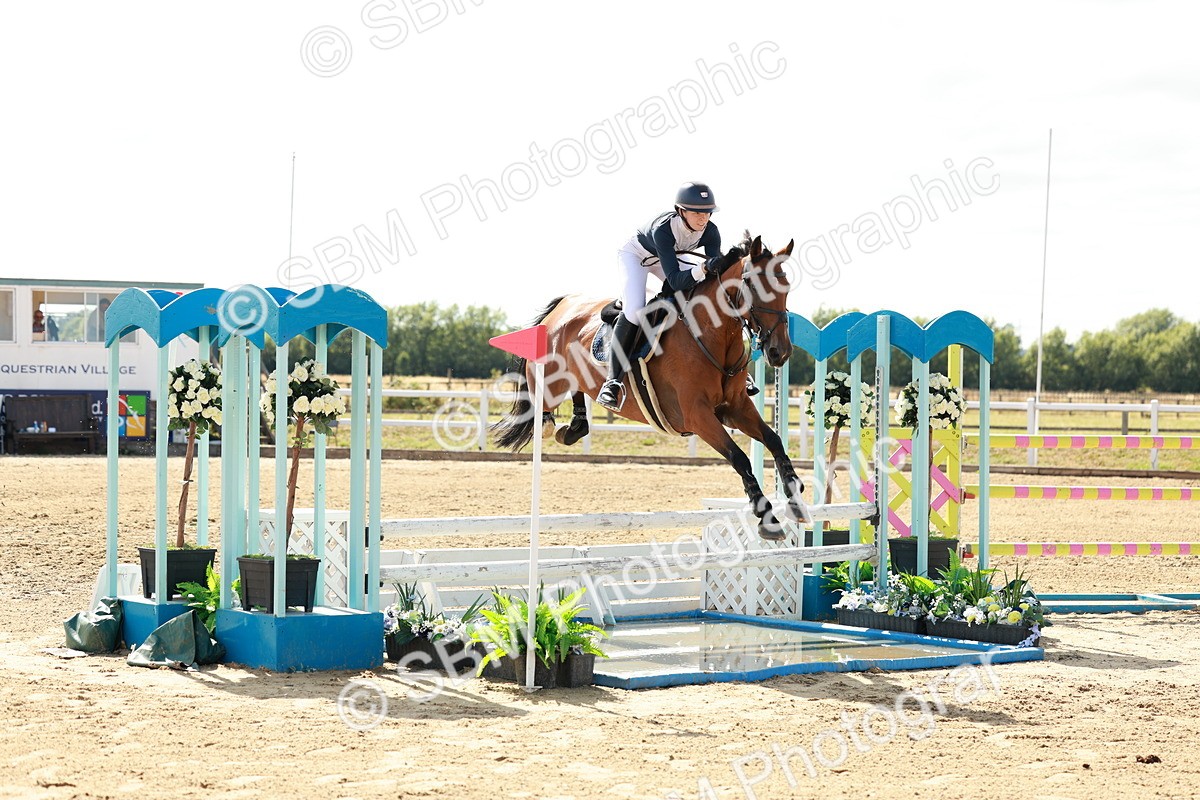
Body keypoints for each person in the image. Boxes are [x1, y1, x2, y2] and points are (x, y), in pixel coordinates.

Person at [597, 181, 752, 411]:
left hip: (669, 257)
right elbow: (675, 280)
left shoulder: (711, 231)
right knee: (634, 310)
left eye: (707, 213)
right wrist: (704, 268)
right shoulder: (664, 230)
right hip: (637, 256)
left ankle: (736, 371)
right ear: (681, 211)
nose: (703, 219)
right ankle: (612, 381)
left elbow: (713, 278)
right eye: (697, 213)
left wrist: (728, 261)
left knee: (698, 295)